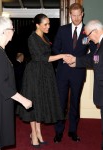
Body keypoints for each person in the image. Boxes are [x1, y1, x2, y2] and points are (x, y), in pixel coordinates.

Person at [16, 13, 65, 148]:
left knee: (40, 102)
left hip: (45, 73)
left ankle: (38, 131)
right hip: (34, 74)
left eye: (49, 24)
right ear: (38, 25)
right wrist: (61, 55)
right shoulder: (32, 38)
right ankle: (33, 132)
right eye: (45, 24)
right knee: (34, 102)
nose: (48, 26)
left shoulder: (44, 36)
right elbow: (43, 58)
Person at [52, 3, 96, 143]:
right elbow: (55, 48)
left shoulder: (87, 31)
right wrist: (64, 56)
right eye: (73, 15)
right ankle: (58, 131)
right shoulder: (63, 29)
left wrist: (77, 60)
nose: (76, 18)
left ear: (82, 14)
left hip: (78, 73)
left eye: (78, 15)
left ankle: (73, 131)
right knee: (61, 103)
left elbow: (95, 54)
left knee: (75, 103)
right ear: (70, 14)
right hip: (63, 72)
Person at [0, 16, 32, 150]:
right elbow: (1, 83)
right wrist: (23, 100)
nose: (13, 31)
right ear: (6, 31)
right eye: (12, 29)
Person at [64, 19, 103, 150]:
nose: (89, 40)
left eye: (89, 35)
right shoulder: (99, 45)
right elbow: (94, 59)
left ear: (96, 31)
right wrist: (76, 61)